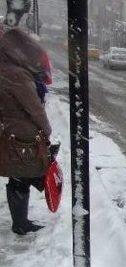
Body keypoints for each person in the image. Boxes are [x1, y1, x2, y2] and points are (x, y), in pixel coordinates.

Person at [0, 29, 52, 235]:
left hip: (10, 131)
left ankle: (20, 221)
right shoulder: (17, 74)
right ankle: (20, 224)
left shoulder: (5, 69)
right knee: (23, 175)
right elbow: (34, 108)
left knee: (18, 175)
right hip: (22, 133)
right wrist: (46, 129)